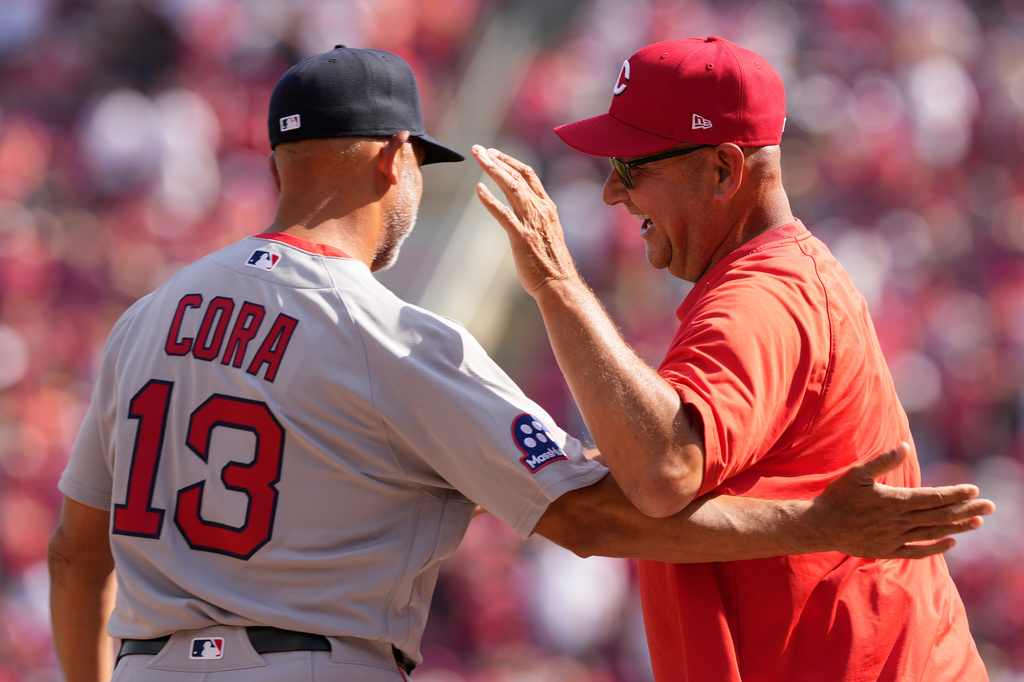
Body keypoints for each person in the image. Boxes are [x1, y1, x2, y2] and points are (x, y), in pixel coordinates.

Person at [48, 45, 993, 682]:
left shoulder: (144, 321)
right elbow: (600, 510)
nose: (615, 191)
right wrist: (815, 525)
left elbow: (75, 552)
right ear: (394, 163)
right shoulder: (394, 339)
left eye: (634, 166)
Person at [471, 36, 991, 681]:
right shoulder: (774, 282)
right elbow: (655, 487)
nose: (611, 192)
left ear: (723, 169)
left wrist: (556, 282)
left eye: (633, 167)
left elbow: (663, 471)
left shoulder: (763, 298)